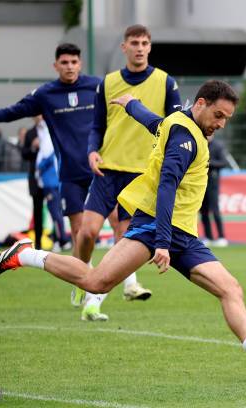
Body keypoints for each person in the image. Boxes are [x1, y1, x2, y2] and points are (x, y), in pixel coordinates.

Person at [0, 79, 246, 368]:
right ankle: (25, 254)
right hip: (155, 227)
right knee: (97, 282)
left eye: (226, 119)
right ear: (201, 104)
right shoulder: (186, 137)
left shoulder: (177, 122)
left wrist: (131, 105)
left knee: (230, 288)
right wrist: (162, 242)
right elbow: (167, 184)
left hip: (181, 233)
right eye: (219, 115)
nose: (221, 124)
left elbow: (154, 123)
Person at [0, 43, 98, 263]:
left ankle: (129, 283)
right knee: (79, 231)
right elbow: (11, 112)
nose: (69, 67)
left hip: (100, 169)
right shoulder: (46, 94)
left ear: (80, 64)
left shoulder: (97, 86)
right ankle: (84, 283)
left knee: (114, 222)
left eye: (74, 62)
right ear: (56, 65)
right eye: (64, 62)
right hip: (70, 174)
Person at [74, 24, 181, 321]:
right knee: (87, 232)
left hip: (141, 173)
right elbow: (97, 125)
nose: (140, 47)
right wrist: (92, 150)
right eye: (134, 42)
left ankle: (96, 297)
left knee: (124, 240)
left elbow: (173, 126)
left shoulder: (165, 82)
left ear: (150, 47)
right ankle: (80, 279)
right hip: (108, 169)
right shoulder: (107, 83)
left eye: (145, 43)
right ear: (124, 47)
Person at [35, 116, 70, 252]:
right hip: (52, 181)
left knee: (55, 213)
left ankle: (62, 241)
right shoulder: (47, 135)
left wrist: (39, 166)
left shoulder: (48, 136)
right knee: (56, 213)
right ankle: (58, 240)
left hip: (51, 182)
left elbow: (48, 157)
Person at [200, 136, 229, 247]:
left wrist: (208, 163)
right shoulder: (199, 143)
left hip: (212, 183)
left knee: (215, 210)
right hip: (200, 184)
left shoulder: (218, 146)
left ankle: (221, 237)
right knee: (204, 212)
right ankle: (208, 237)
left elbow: (223, 162)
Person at [21, 117, 44, 250]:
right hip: (35, 178)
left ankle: (61, 240)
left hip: (51, 177)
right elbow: (24, 154)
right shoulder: (30, 133)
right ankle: (39, 243)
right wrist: (33, 147)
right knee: (37, 211)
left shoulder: (51, 129)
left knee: (56, 210)